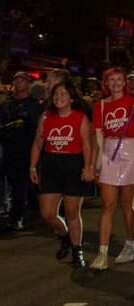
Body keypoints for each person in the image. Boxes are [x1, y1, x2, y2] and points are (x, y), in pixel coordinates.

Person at [29, 81, 93, 268]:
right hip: (50, 167)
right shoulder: (46, 117)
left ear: (71, 98)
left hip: (73, 167)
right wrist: (33, 167)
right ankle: (65, 236)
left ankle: (77, 249)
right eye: (56, 94)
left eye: (63, 94)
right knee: (48, 214)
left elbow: (87, 145)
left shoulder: (80, 117)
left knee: (73, 213)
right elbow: (38, 143)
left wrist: (88, 167)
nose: (58, 97)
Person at [90, 67, 134, 270]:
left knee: (126, 204)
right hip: (109, 151)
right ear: (106, 84)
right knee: (108, 204)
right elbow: (97, 137)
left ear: (125, 83)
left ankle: (130, 245)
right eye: (111, 80)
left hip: (131, 151)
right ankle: (102, 253)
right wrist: (95, 165)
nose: (115, 83)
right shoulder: (100, 106)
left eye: (119, 80)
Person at [0, 72, 44, 231]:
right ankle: (18, 216)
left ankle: (34, 212)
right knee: (16, 185)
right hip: (11, 151)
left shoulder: (35, 106)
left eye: (22, 80)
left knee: (31, 185)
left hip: (29, 151)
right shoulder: (7, 105)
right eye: (16, 80)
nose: (19, 83)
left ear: (28, 83)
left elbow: (38, 130)